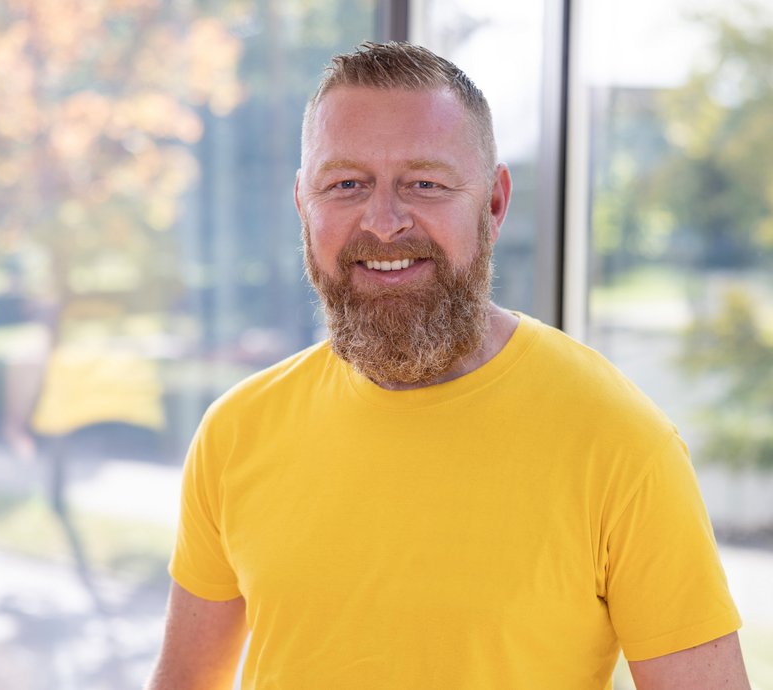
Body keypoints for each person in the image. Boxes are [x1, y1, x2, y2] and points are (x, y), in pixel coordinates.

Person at [146, 41, 749, 689]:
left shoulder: (622, 443)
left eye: (424, 184)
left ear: (493, 203)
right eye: (345, 184)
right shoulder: (235, 432)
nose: (382, 222)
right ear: (303, 204)